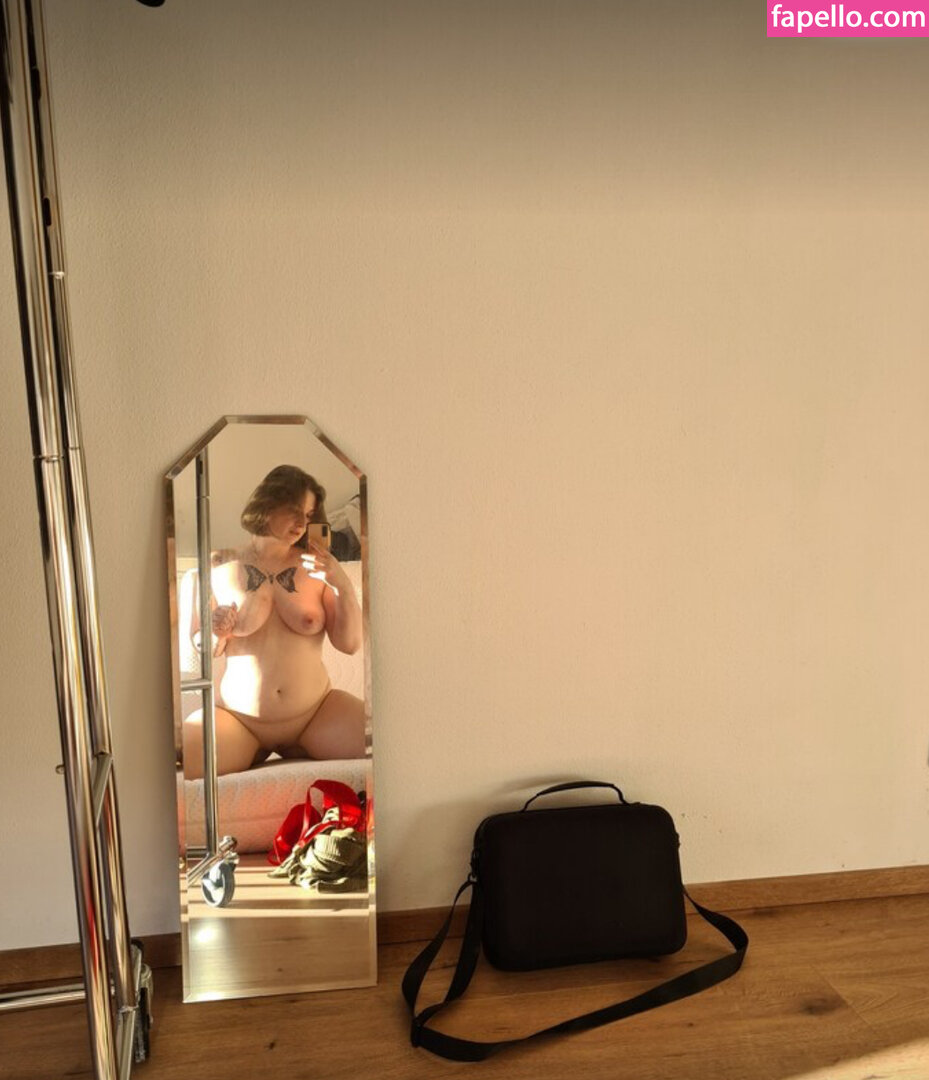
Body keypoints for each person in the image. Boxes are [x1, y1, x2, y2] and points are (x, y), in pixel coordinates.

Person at [183, 465, 366, 779]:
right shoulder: (218, 566)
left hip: (317, 715)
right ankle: (252, 749)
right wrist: (216, 633)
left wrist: (342, 585)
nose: (302, 524)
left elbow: (349, 645)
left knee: (389, 742)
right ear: (267, 504)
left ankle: (300, 744)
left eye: (308, 515)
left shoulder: (318, 567)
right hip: (239, 721)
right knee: (181, 758)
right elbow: (204, 648)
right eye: (295, 512)